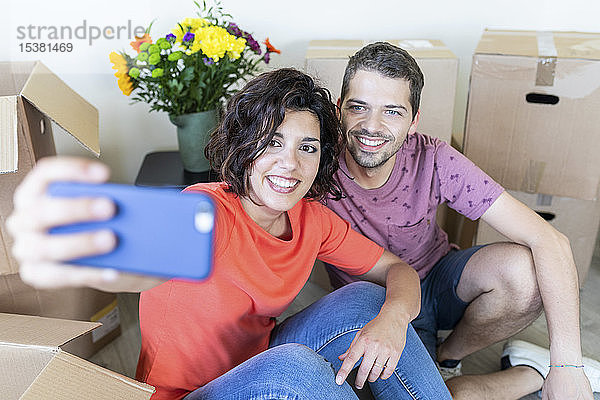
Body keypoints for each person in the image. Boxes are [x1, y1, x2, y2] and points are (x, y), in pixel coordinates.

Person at [6, 68, 452, 400]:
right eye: (272, 142)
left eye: (307, 147)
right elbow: (140, 266)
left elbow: (397, 270)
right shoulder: (210, 211)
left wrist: (394, 321)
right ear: (244, 146)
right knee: (298, 369)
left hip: (257, 363)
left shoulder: (312, 219)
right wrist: (94, 250)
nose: (289, 164)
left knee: (368, 301)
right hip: (190, 394)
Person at [323, 42, 599, 399]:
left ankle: (449, 356)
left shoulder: (433, 157)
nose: (371, 126)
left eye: (392, 111)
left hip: (436, 281)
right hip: (373, 305)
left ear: (413, 120)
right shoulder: (315, 162)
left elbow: (550, 240)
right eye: (359, 107)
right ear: (339, 109)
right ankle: (533, 373)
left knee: (525, 272)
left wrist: (568, 365)